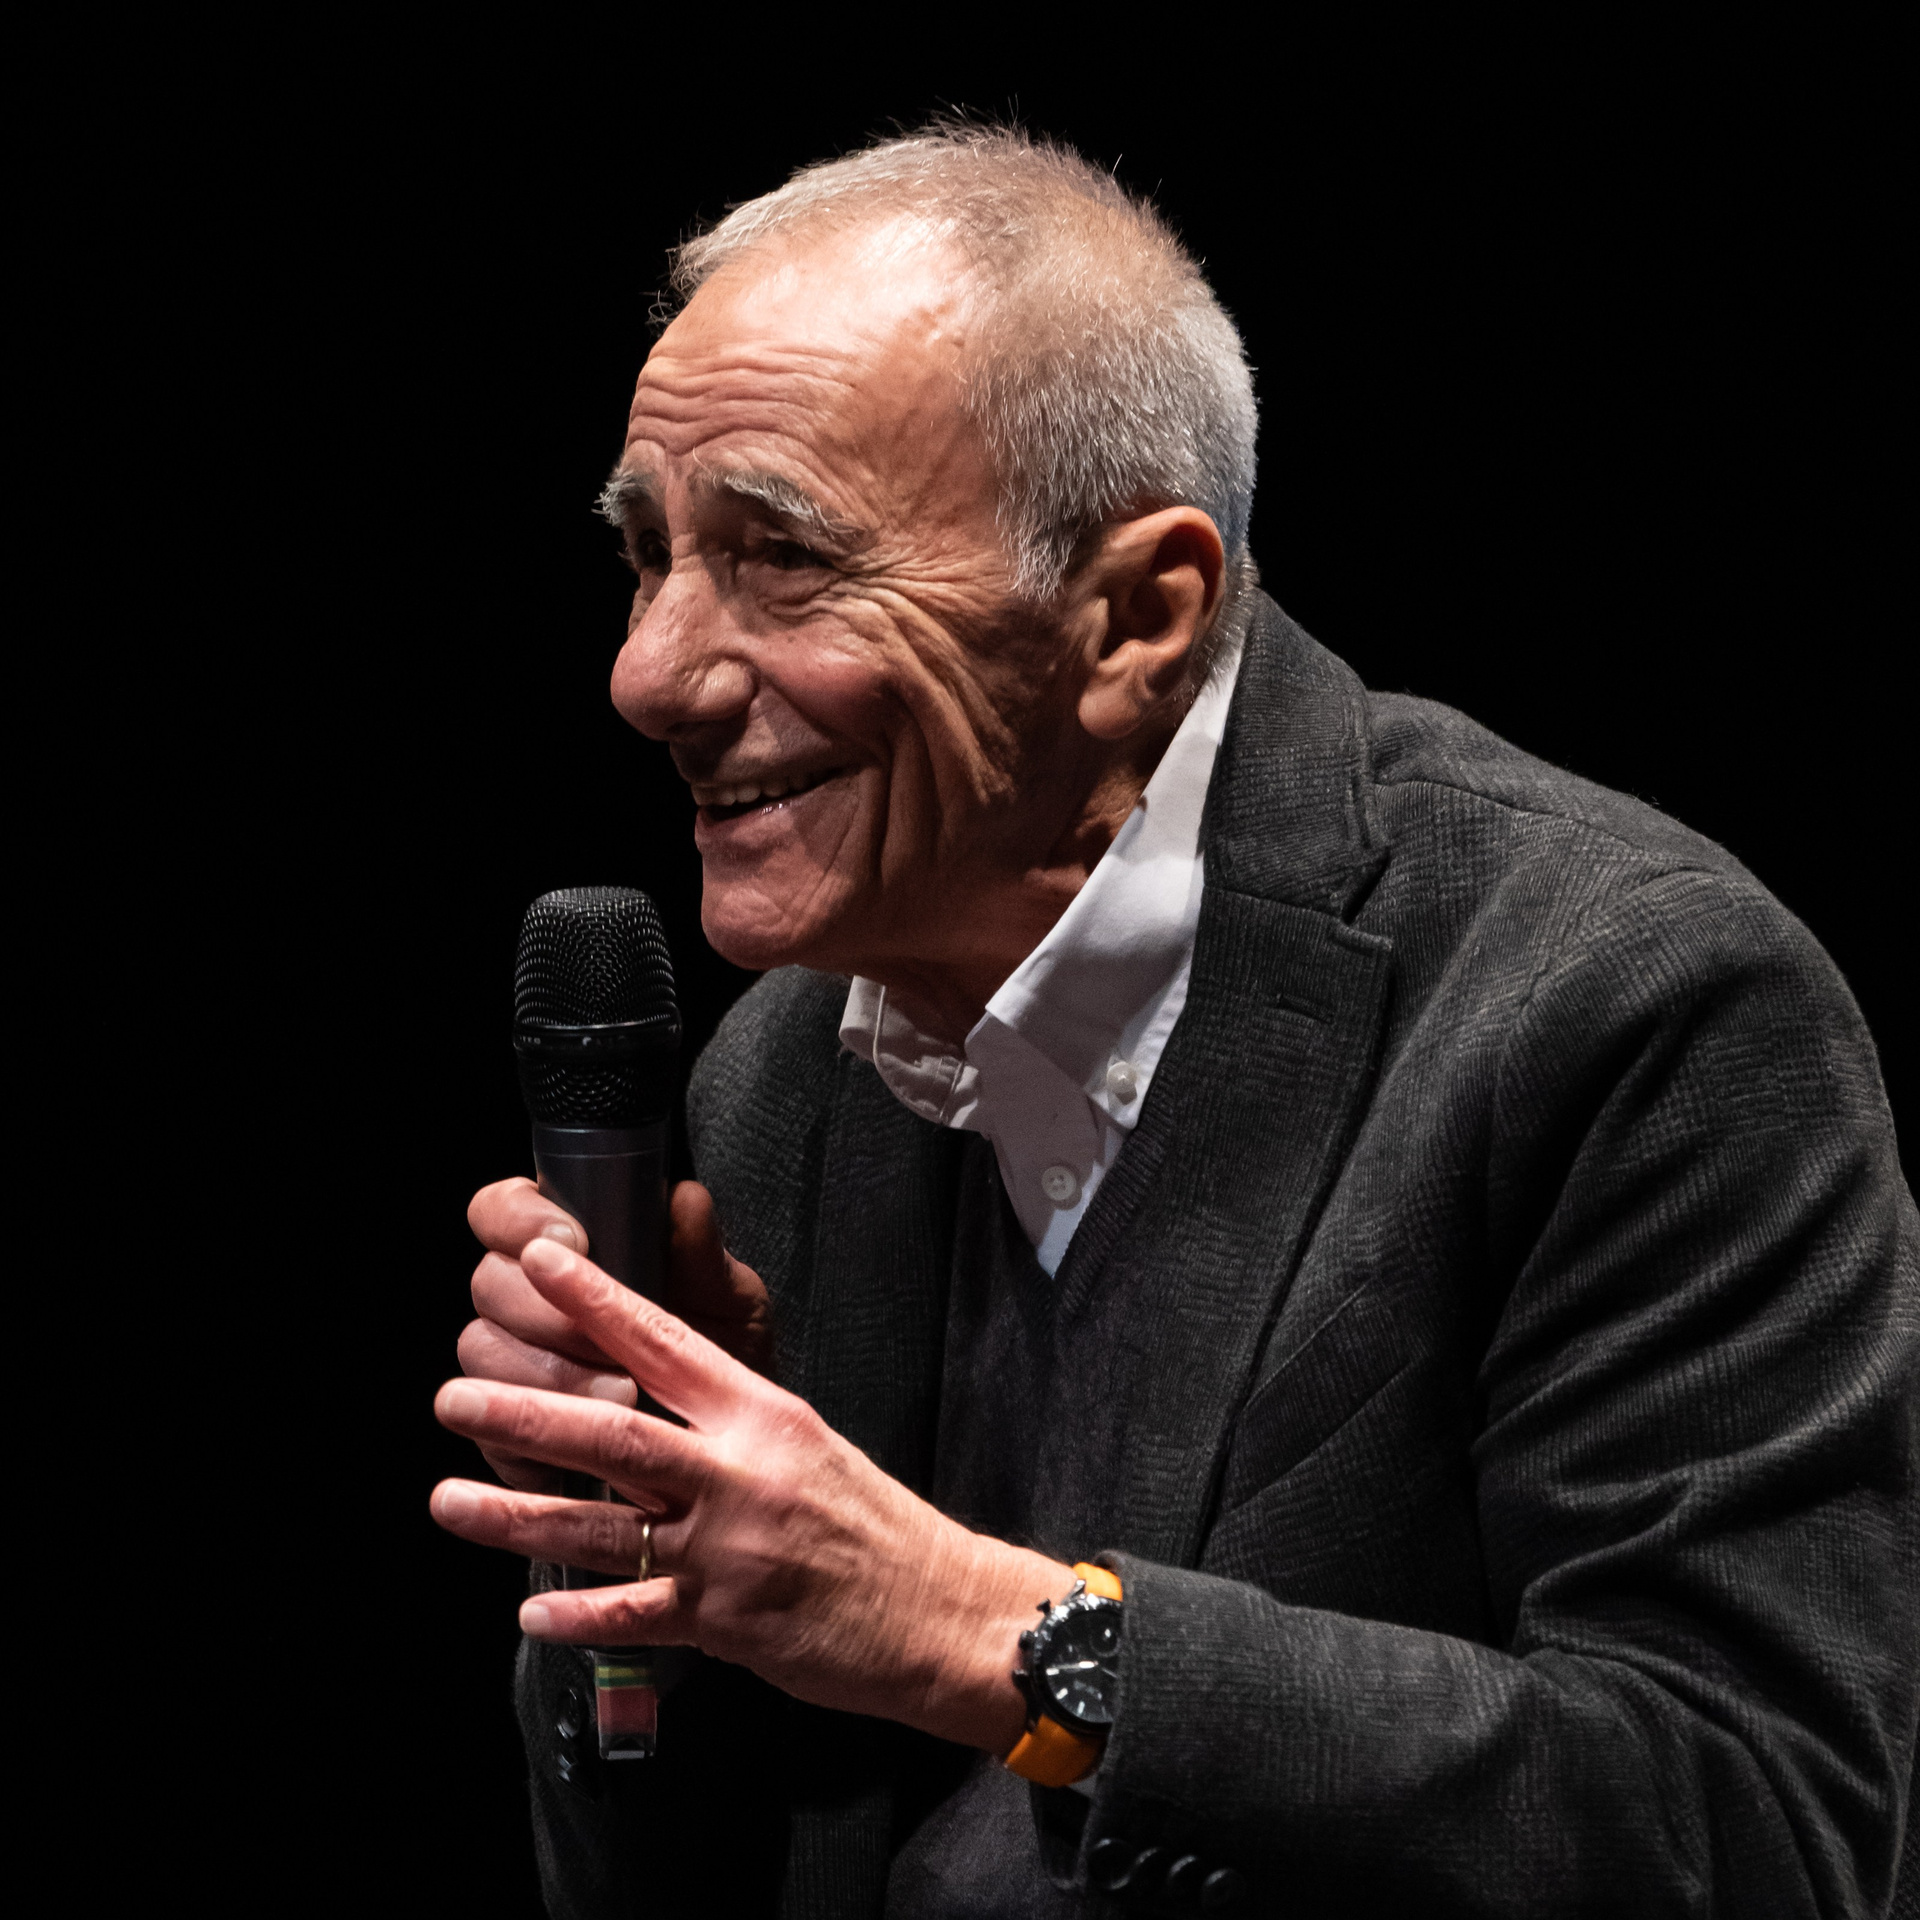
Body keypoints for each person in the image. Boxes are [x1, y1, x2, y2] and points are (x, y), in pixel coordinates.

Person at [428, 125, 1918, 1917]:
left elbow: (1754, 1833)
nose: (648, 671)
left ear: (1138, 614)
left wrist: (977, 1631)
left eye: (784, 557)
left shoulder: (1628, 1005)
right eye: (649, 554)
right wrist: (640, 1568)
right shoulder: (782, 1072)